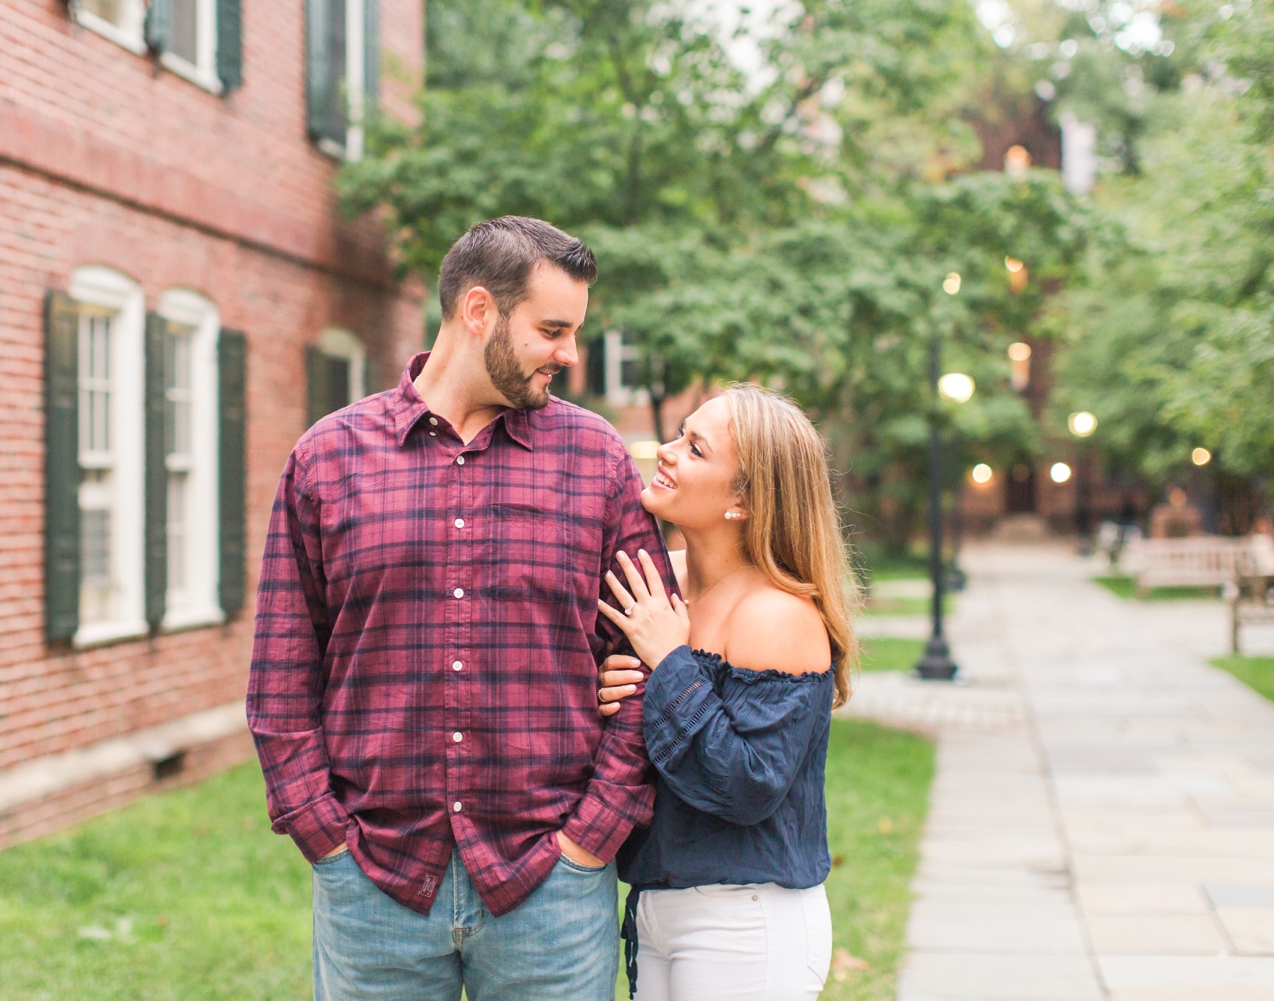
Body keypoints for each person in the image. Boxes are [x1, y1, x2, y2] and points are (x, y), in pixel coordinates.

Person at [247, 216, 672, 1001]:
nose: (569, 354)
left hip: (552, 891)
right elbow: (280, 678)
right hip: (374, 887)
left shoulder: (598, 459)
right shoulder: (326, 458)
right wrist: (326, 840)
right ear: (479, 311)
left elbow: (657, 662)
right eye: (552, 329)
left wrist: (590, 836)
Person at [595, 384, 854, 1001]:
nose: (667, 451)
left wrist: (670, 661)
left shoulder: (775, 615)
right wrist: (611, 689)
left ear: (742, 499)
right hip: (657, 903)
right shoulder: (659, 584)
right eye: (680, 434)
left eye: (695, 449)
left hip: (744, 918)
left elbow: (747, 786)